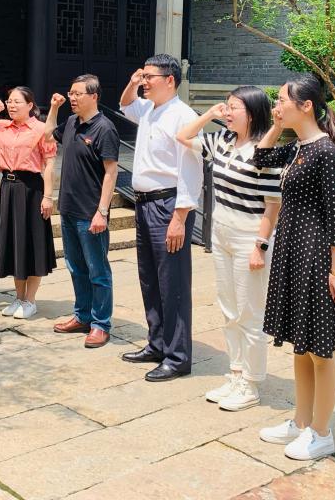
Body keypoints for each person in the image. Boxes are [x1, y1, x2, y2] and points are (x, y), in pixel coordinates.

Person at [252, 73, 335, 461]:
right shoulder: (298, 148)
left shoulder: (325, 152)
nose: (276, 106)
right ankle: (301, 421)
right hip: (291, 252)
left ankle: (321, 432)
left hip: (314, 256)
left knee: (321, 350)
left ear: (306, 105)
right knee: (301, 345)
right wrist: (277, 127)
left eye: (282, 100)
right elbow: (260, 158)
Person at [177, 87, 281, 411]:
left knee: (250, 313)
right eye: (227, 106)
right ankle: (235, 373)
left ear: (252, 113)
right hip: (221, 234)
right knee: (228, 309)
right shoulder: (222, 140)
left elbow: (272, 206)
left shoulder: (265, 152)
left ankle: (251, 382)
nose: (228, 111)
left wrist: (260, 247)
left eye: (234, 107)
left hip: (249, 237)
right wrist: (209, 114)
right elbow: (183, 136)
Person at [118, 55, 204, 381]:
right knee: (150, 278)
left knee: (173, 284)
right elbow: (125, 104)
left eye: (149, 77)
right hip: (144, 204)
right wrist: (133, 81)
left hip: (169, 206)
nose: (144, 82)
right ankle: (156, 343)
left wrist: (179, 218)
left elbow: (191, 171)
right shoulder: (149, 109)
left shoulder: (183, 116)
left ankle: (177, 356)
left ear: (170, 80)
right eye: (143, 76)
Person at [44, 75, 120, 349]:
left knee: (97, 271)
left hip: (90, 213)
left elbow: (111, 172)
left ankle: (101, 324)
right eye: (71, 93)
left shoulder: (104, 128)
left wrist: (102, 212)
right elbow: (47, 134)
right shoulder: (72, 122)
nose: (72, 98)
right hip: (68, 209)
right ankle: (83, 316)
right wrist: (54, 108)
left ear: (94, 96)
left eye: (78, 94)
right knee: (76, 267)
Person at [0, 87, 57, 319]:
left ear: (30, 105)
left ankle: (30, 300)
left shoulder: (41, 129)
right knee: (15, 244)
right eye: (9, 101)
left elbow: (49, 164)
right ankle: (18, 298)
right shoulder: (0, 126)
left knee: (32, 244)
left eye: (17, 101)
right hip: (8, 187)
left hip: (31, 189)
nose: (11, 105)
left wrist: (48, 196)